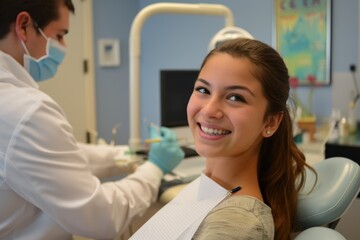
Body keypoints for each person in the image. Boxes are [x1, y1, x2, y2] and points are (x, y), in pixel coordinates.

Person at [0, 0, 184, 239]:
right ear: (24, 26)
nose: (64, 46)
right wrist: (155, 168)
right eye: (60, 35)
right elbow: (100, 217)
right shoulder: (26, 112)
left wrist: (127, 154)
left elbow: (54, 156)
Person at [130, 38, 315, 240]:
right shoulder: (209, 188)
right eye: (203, 90)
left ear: (270, 122)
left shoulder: (237, 224)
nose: (209, 110)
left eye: (235, 97)